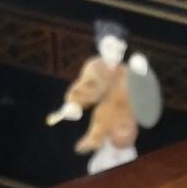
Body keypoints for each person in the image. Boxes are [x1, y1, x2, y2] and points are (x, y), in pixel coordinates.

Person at [46, 20, 160, 174]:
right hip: (105, 125)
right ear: (100, 45)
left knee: (126, 161)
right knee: (103, 166)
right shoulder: (95, 68)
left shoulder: (126, 72)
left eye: (119, 50)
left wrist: (143, 74)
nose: (114, 54)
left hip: (126, 125)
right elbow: (87, 88)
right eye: (109, 48)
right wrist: (75, 104)